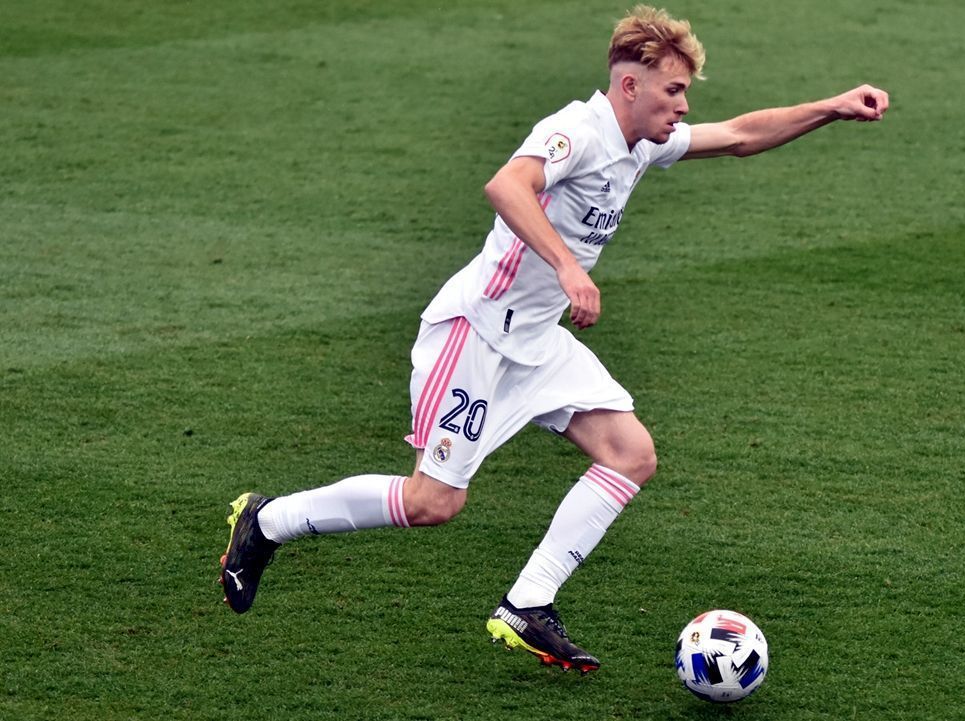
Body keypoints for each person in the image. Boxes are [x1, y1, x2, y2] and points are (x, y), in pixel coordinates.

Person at [219, 4, 889, 673]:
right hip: (478, 334)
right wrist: (569, 267)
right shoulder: (578, 130)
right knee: (433, 503)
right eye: (674, 90)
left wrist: (831, 107)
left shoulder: (641, 143)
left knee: (631, 454)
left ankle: (528, 602)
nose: (683, 106)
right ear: (631, 84)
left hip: (538, 340)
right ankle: (268, 520)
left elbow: (740, 134)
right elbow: (508, 185)